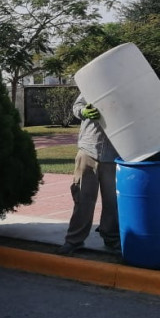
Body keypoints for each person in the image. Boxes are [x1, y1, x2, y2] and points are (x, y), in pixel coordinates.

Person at [57, 95, 121, 255]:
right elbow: (77, 106)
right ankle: (74, 241)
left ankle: (112, 238)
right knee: (83, 198)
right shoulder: (94, 82)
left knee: (113, 201)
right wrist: (83, 111)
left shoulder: (128, 87)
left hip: (115, 155)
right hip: (88, 151)